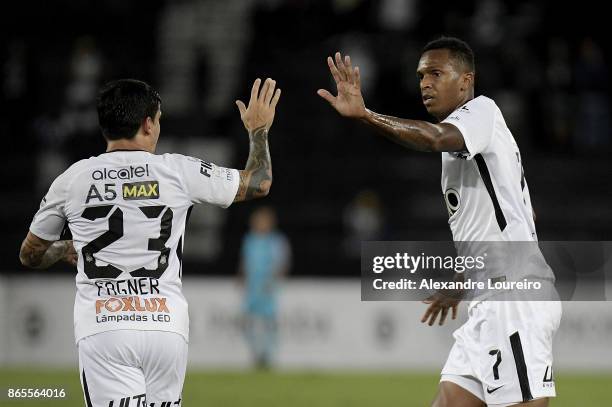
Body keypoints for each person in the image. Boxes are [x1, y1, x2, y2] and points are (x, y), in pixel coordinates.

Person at [318, 37, 561, 407]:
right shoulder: (463, 150)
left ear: (466, 80)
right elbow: (497, 225)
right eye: (420, 76)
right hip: (487, 298)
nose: (425, 83)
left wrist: (366, 115)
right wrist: (464, 280)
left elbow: (433, 138)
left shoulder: (482, 112)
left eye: (436, 73)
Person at [19, 77, 281, 407]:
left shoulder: (72, 179)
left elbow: (30, 254)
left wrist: (65, 248)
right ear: (147, 123)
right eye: (158, 120)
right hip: (165, 327)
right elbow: (259, 183)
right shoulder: (178, 171)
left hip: (104, 327)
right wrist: (258, 130)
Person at [239, 206, 291, 369]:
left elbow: (283, 262)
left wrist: (275, 280)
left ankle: (268, 355)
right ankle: (255, 352)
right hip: (252, 288)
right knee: (247, 321)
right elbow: (244, 261)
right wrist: (241, 277)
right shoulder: (249, 240)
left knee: (269, 322)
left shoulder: (276, 241)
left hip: (269, 288)